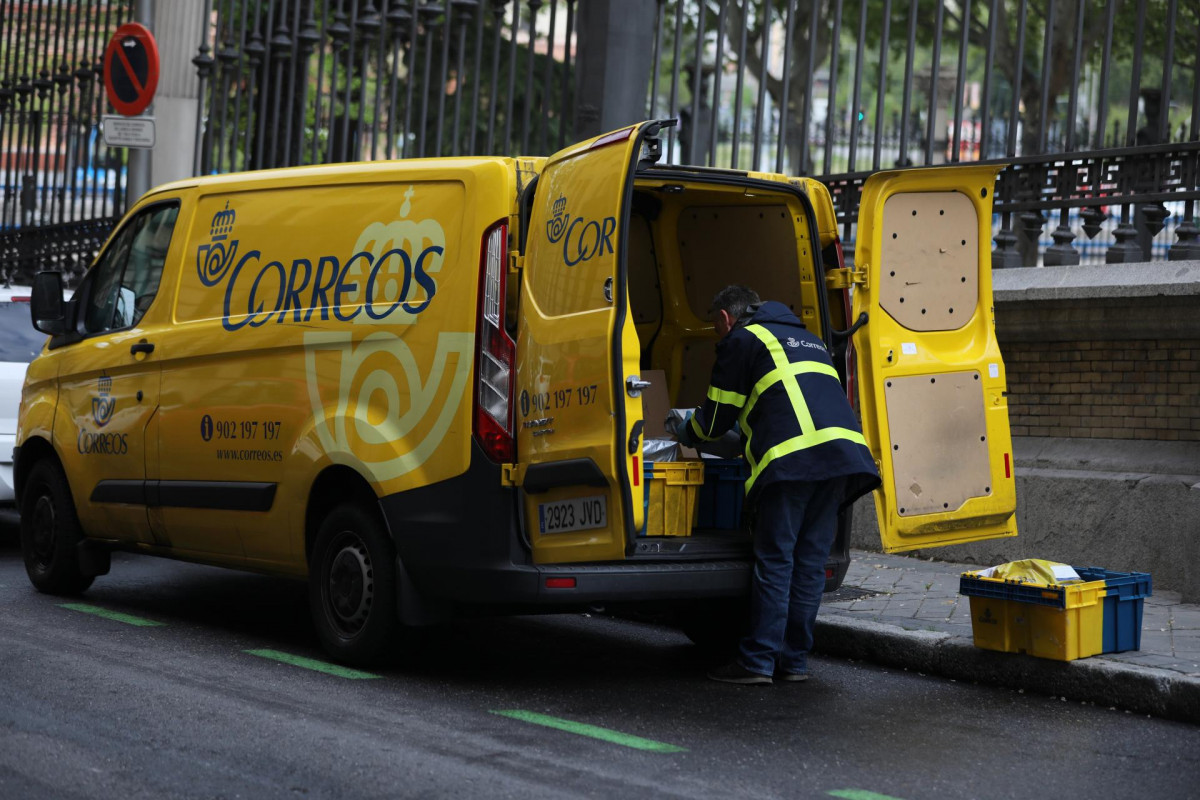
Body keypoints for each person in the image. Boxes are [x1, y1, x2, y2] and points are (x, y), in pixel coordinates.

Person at [668, 285, 880, 685]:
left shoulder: (743, 340)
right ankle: (793, 661)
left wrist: (685, 430)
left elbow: (714, 421)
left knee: (777, 560)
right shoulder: (810, 339)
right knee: (810, 563)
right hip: (841, 459)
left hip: (792, 462)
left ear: (726, 319)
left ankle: (757, 661)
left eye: (716, 328)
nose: (717, 337)